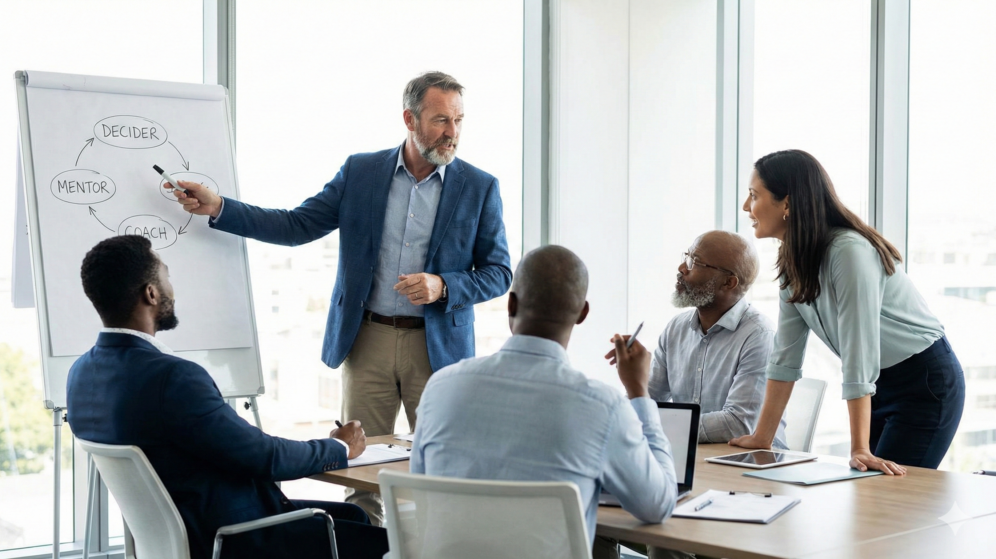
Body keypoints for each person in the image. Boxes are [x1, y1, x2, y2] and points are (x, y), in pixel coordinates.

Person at [166, 71, 512, 522]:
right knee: (360, 473)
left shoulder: (480, 186)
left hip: (438, 350)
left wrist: (443, 285)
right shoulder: (362, 172)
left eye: (459, 121)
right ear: (409, 118)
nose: (452, 133)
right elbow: (296, 226)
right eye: (441, 120)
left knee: (438, 475)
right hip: (366, 340)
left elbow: (499, 272)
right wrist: (219, 207)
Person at [66, 236, 389, 559]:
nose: (171, 290)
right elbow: (265, 457)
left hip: (175, 537)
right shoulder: (173, 377)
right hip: (231, 538)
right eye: (166, 277)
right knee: (389, 543)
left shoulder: (80, 373)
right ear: (150, 293)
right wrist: (340, 446)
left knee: (355, 517)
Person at [411, 245, 677, 557]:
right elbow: (657, 505)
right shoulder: (601, 407)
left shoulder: (441, 387)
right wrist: (638, 392)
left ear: (511, 303)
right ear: (582, 313)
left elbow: (422, 487)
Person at [730, 149, 965, 473]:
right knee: (871, 497)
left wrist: (859, 448)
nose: (746, 207)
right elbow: (785, 357)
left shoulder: (848, 251)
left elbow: (859, 350)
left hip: (924, 382)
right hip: (878, 383)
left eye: (754, 196)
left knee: (887, 498)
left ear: (787, 203)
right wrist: (762, 437)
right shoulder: (792, 262)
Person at [634, 230, 787, 448]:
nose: (682, 268)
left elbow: (738, 424)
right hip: (690, 455)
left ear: (728, 283)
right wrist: (633, 378)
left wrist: (661, 426)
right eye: (687, 257)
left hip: (748, 463)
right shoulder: (676, 328)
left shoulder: (759, 336)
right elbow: (647, 402)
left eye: (695, 262)